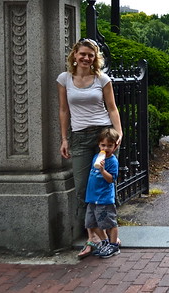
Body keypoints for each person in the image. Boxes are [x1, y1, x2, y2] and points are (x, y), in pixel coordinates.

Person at [57, 38, 123, 258]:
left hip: (102, 136)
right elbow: (64, 110)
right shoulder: (64, 79)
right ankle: (92, 237)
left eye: (91, 55)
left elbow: (112, 108)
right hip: (79, 138)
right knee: (83, 188)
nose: (86, 58)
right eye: (82, 54)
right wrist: (64, 138)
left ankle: (110, 235)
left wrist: (118, 133)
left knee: (105, 186)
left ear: (95, 58)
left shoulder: (102, 79)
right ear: (74, 55)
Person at [84, 128, 121, 259]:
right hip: (92, 198)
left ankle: (113, 245)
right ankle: (104, 242)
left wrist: (102, 170)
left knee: (109, 222)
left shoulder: (112, 161)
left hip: (104, 198)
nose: (106, 148)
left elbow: (111, 179)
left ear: (115, 146)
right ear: (99, 145)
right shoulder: (96, 156)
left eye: (109, 146)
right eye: (103, 145)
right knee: (91, 223)